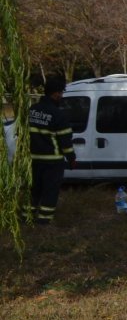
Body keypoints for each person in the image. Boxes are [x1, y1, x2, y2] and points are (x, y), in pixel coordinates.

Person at [27, 77, 76, 225]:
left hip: (32, 159)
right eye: (61, 93)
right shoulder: (58, 114)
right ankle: (44, 220)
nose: (61, 96)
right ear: (55, 94)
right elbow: (65, 141)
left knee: (34, 189)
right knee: (50, 190)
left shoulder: (32, 110)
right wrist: (71, 158)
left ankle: (26, 216)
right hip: (52, 161)